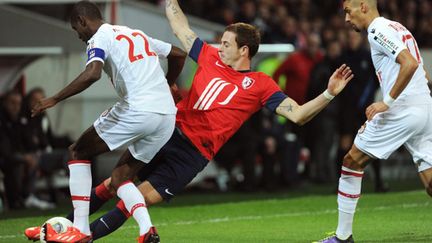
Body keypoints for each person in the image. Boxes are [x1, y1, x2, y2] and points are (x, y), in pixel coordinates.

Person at [25, 0, 353, 242]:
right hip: (169, 131)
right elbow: (181, 28)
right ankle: (64, 228)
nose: (218, 46)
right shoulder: (209, 57)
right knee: (114, 184)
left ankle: (81, 237)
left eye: (225, 43)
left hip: (192, 154)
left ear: (244, 51)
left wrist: (329, 94)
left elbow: (297, 114)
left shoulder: (261, 85)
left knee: (131, 202)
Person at [29, 1, 186, 242]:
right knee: (121, 178)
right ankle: (147, 231)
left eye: (75, 29)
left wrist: (54, 98)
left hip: (138, 109)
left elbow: (92, 73)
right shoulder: (135, 33)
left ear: (83, 21)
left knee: (77, 151)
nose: (79, 36)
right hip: (166, 116)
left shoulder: (99, 37)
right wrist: (168, 83)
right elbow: (178, 54)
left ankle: (80, 230)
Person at [317, 0, 432, 242]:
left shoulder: (378, 30)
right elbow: (422, 71)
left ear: (363, 6)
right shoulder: (399, 27)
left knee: (351, 161)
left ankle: (342, 236)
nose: (346, 19)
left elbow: (409, 64)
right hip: (423, 107)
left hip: (402, 110)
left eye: (348, 12)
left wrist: (386, 103)